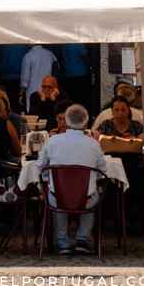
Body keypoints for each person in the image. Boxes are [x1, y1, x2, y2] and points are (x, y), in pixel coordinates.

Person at [37, 103, 106, 255]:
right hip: (86, 199)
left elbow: (40, 166)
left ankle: (62, 240)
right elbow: (103, 171)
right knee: (93, 193)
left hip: (57, 198)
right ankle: (83, 238)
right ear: (86, 122)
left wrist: (49, 177)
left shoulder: (52, 141)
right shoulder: (93, 144)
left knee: (56, 194)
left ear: (66, 121)